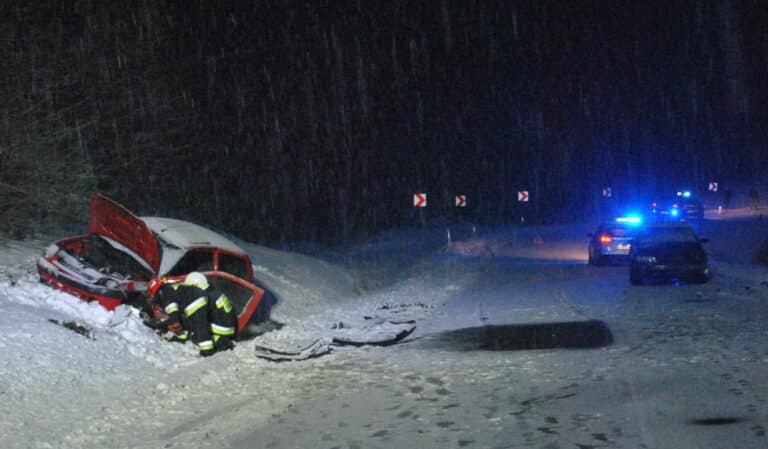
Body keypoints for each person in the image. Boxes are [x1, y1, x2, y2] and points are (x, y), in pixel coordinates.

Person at [156, 272, 236, 356]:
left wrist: (206, 349)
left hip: (222, 329)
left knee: (197, 333)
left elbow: (200, 323)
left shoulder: (203, 297)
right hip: (227, 326)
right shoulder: (212, 292)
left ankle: (219, 340)